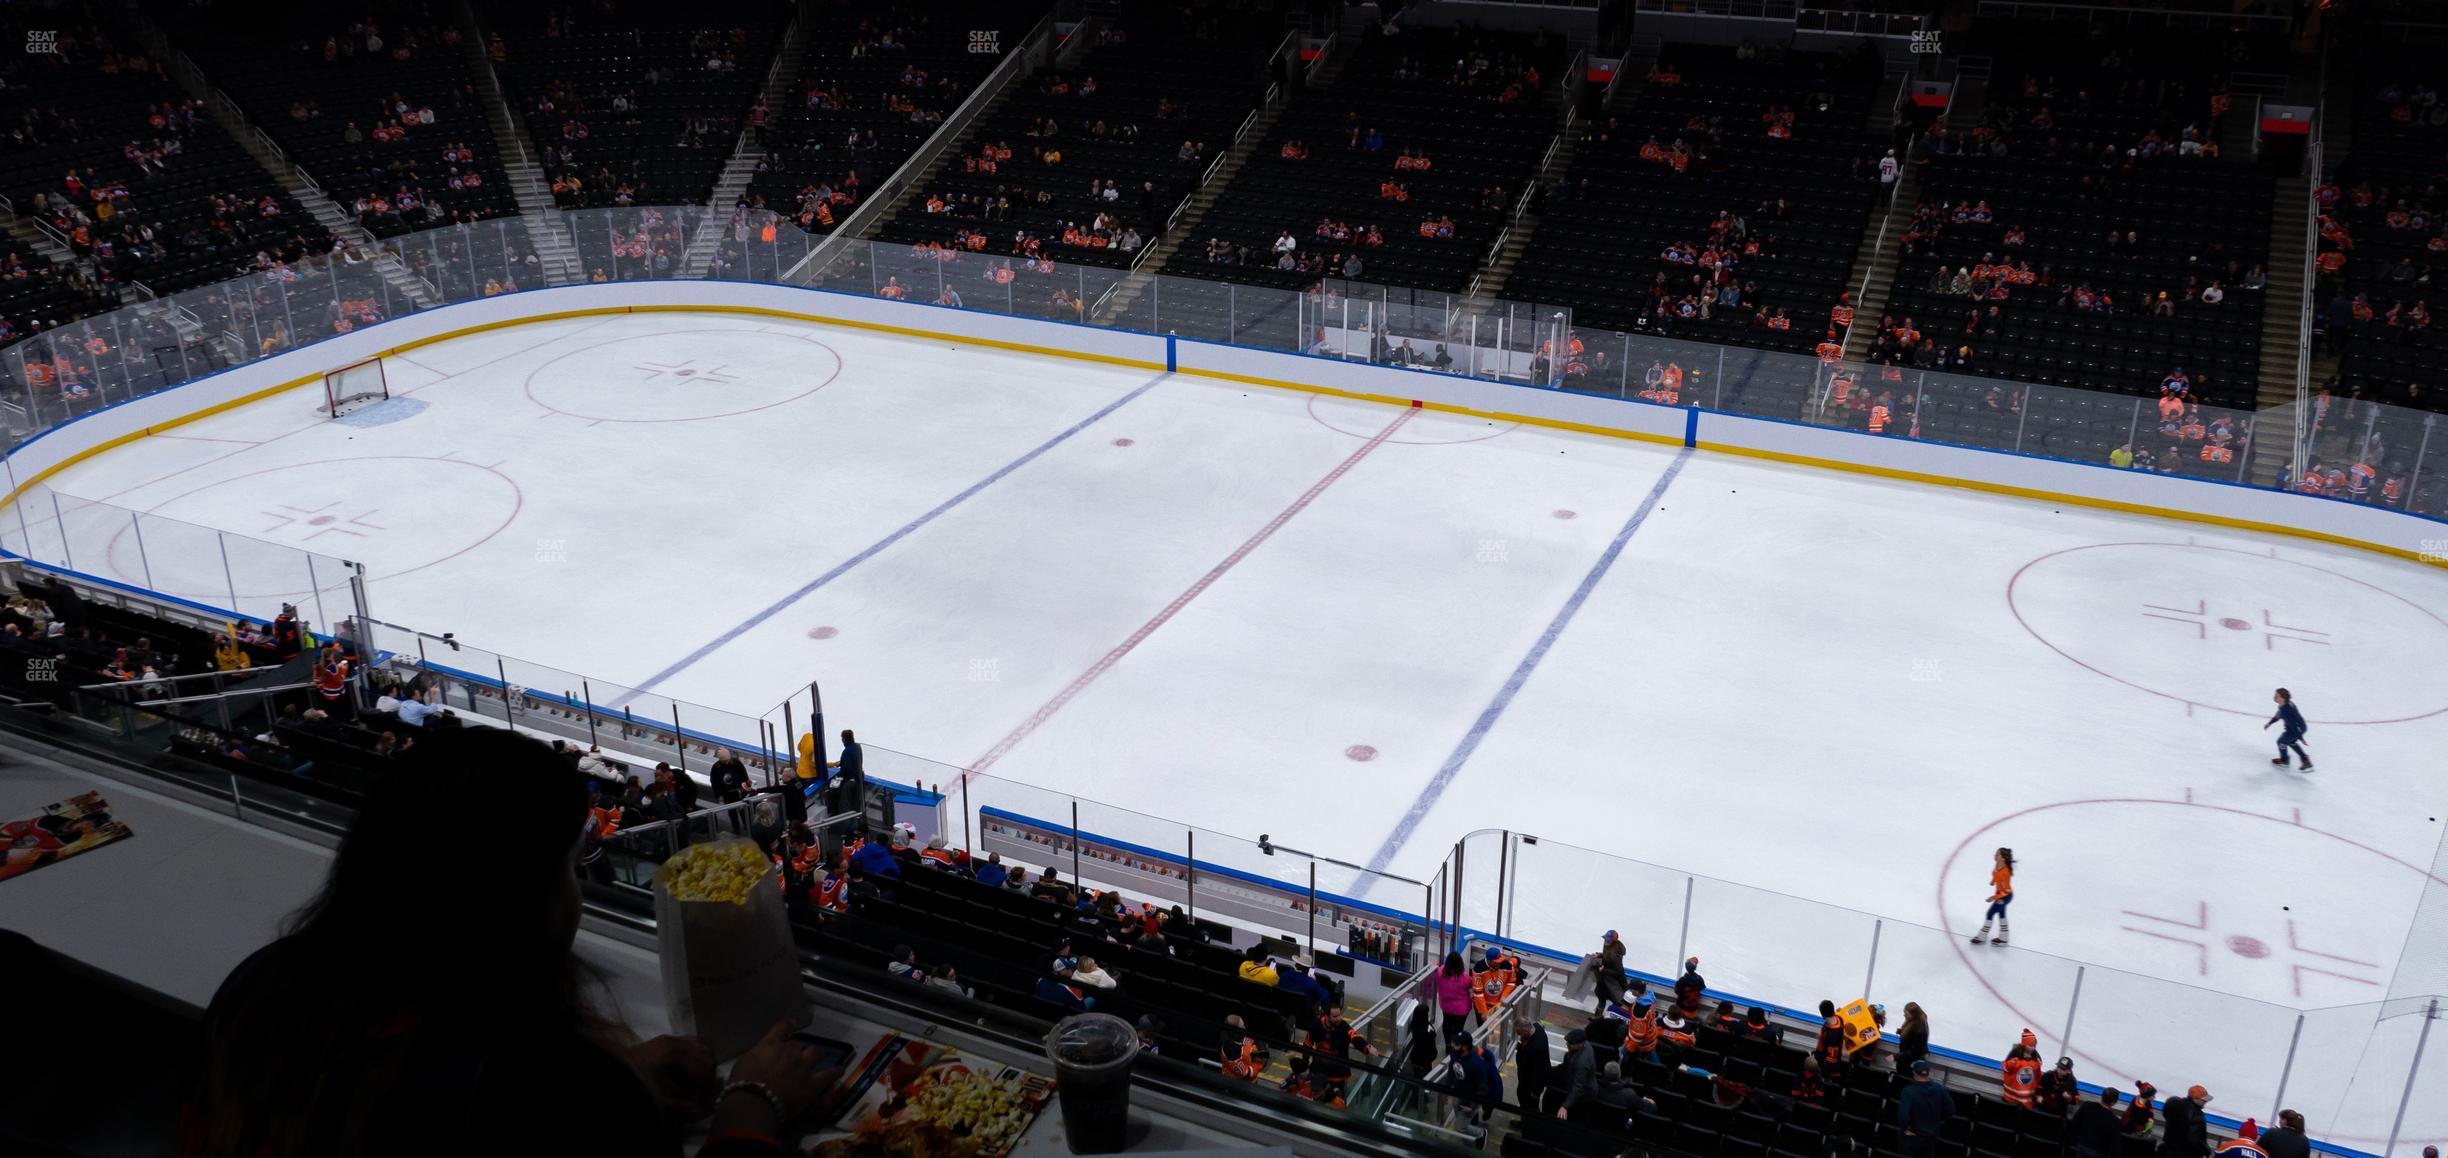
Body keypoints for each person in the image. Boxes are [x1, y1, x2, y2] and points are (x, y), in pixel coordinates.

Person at [184, 728, 838, 1157]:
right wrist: (750, 1112)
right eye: (565, 869)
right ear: (516, 903)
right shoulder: (523, 1086)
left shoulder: (263, 988)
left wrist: (621, 1081)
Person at [1898, 1059, 1956, 1158]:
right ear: (1928, 1073)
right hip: (1932, 1135)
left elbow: (1903, 1115)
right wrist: (1939, 1120)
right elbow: (1951, 1109)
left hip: (1914, 1135)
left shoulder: (1908, 1092)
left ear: (1914, 1073)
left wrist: (1905, 1128)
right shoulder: (1939, 1089)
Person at [1972, 847, 2015, 944]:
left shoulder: (2005, 872)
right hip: (2000, 894)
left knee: (1990, 914)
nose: (1995, 855)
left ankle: (1982, 937)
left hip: (2004, 897)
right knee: (2002, 915)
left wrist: (1993, 898)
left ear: (2003, 858)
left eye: (1997, 854)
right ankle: (2004, 938)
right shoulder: (1998, 864)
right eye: (1995, 853)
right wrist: (1993, 881)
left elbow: (2007, 891)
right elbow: (1995, 874)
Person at [2265, 689, 2313, 771]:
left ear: (2283, 698)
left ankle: (2284, 761)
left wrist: (2300, 737)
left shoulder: (2286, 710)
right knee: (2290, 741)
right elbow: (2278, 715)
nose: (2274, 697)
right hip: (2300, 727)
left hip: (2296, 729)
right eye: (2275, 695)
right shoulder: (2286, 704)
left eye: (2277, 696)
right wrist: (2270, 723)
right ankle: (2305, 760)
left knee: (2281, 741)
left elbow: (2293, 725)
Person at [1513, 1020, 1554, 1115]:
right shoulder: (1536, 1028)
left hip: (1532, 1082)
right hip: (1526, 1078)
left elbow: (1539, 1072)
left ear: (1526, 1031)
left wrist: (1535, 1091)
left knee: (1531, 1104)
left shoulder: (1537, 1048)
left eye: (1520, 1034)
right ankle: (1525, 1120)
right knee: (1522, 1097)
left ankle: (1530, 1125)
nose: (1520, 1036)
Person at [1555, 1028, 1597, 1119]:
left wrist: (1565, 1106)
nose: (1567, 1044)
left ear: (1580, 1044)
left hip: (1584, 1096)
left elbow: (1578, 1088)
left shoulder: (1582, 1063)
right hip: (1578, 1082)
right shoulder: (1585, 1044)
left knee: (1576, 1116)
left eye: (1570, 1043)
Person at [2162, 1085, 2213, 1158]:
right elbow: (2195, 1139)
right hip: (2186, 1153)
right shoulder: (2197, 1115)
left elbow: (2165, 1113)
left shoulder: (2173, 1103)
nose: (2206, 1102)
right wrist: (2208, 1152)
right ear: (2195, 1099)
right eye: (2204, 1100)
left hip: (2169, 1150)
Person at [2073, 1089, 2126, 1158]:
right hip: (2098, 1152)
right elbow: (2115, 1144)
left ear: (2102, 1097)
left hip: (2082, 1145)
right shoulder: (2114, 1121)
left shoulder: (2087, 1105)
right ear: (2113, 1103)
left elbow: (2075, 1122)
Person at [1435, 950, 1473, 1044]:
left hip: (1446, 1006)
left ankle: (1448, 1044)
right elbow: (1471, 985)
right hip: (1462, 1009)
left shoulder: (1440, 972)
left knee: (1447, 1024)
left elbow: (1440, 968)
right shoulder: (1465, 977)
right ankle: (1456, 1045)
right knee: (1459, 1028)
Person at [2001, 1029, 2042, 1107]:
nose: (2032, 1048)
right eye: (2030, 1045)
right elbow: (2005, 1068)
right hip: (2010, 1099)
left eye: (2034, 1046)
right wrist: (2011, 1063)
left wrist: (2038, 1093)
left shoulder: (2036, 1060)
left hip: (2027, 1101)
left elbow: (2038, 1077)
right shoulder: (2015, 1054)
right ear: (2024, 1045)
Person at [1895, 1002, 1930, 1078]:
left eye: (1906, 1014)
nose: (1904, 1015)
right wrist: (1901, 1032)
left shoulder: (1919, 1029)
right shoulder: (1912, 1022)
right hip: (1905, 1061)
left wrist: (1896, 1056)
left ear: (1913, 1015)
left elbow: (1914, 1051)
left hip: (1909, 1064)